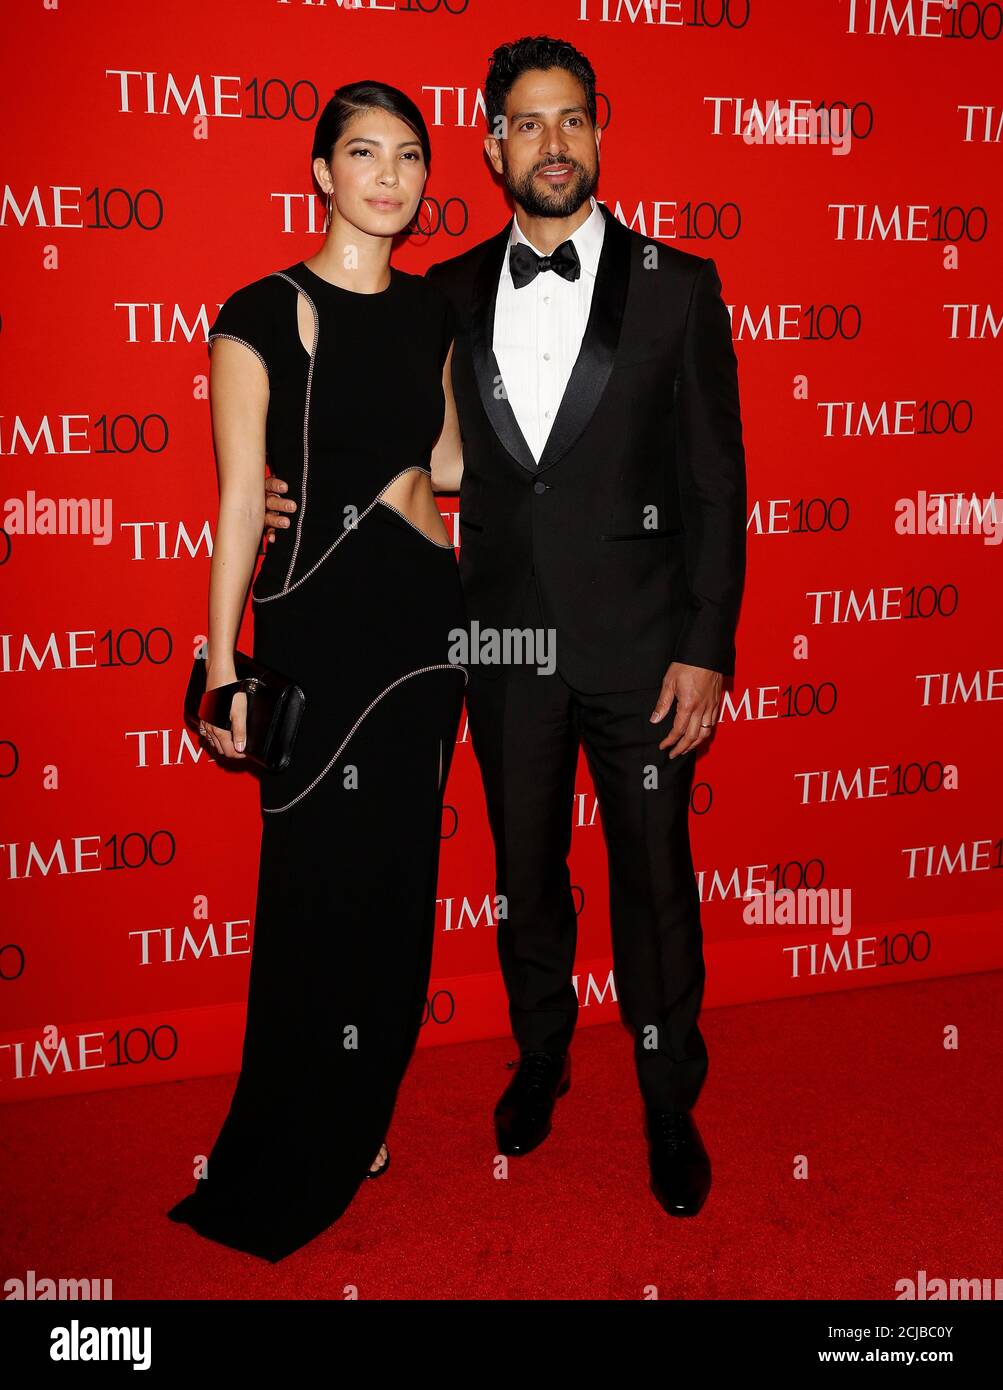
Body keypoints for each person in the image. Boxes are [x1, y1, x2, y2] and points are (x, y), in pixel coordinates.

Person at [265, 38, 747, 1219]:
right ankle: (541, 1060)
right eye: (526, 126)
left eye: (571, 121)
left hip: (643, 646)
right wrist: (286, 487)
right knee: (524, 874)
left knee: (653, 882)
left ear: (597, 133)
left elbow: (716, 485)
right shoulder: (445, 295)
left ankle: (666, 1097)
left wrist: (706, 646)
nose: (553, 145)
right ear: (490, 147)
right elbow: (394, 441)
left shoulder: (680, 284)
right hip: (498, 644)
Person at [167, 81, 468, 1263]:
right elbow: (240, 496)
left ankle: (363, 1113)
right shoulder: (262, 309)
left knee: (397, 885)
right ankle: (298, 1127)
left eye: (407, 156)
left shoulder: (433, 310)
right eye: (362, 153)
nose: (387, 177)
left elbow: (445, 456)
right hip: (317, 622)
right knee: (311, 891)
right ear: (319, 171)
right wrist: (220, 664)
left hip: (422, 626)